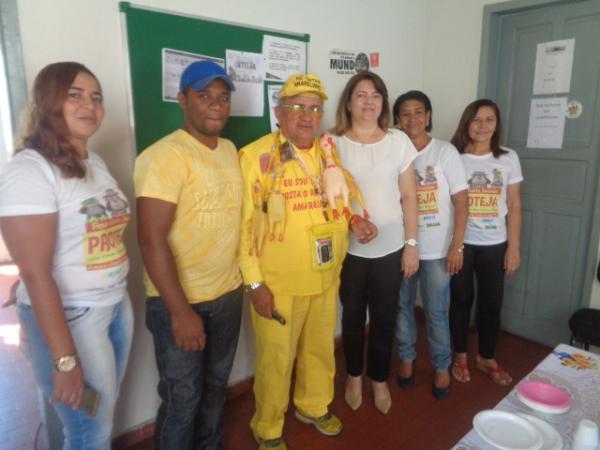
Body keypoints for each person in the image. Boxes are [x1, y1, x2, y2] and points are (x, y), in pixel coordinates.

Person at [238, 72, 376, 450]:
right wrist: (255, 284)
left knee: (319, 351)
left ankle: (312, 405)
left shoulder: (328, 153)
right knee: (276, 362)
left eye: (315, 108)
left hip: (325, 277)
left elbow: (337, 205)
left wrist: (355, 220)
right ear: (279, 112)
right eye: (297, 107)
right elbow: (245, 226)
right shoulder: (257, 157)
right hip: (278, 284)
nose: (306, 116)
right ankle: (267, 427)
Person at [0, 62, 133, 450]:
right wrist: (65, 361)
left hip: (113, 305)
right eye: (74, 95)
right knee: (89, 430)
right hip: (73, 318)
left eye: (96, 97)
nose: (89, 105)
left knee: (98, 415)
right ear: (49, 102)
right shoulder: (30, 171)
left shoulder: (96, 164)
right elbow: (36, 275)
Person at [134, 60, 243, 450]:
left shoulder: (230, 150)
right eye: (204, 96)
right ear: (183, 100)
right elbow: (150, 239)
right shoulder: (163, 157)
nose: (215, 105)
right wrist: (181, 312)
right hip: (180, 302)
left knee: (215, 389)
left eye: (223, 97)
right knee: (183, 399)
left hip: (228, 294)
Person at [330, 72, 418, 414]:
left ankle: (378, 379)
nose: (369, 101)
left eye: (376, 95)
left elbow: (410, 196)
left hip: (391, 248)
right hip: (347, 250)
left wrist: (412, 244)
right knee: (351, 318)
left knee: (384, 318)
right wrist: (350, 223)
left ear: (383, 102)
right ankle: (354, 375)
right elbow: (326, 198)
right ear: (349, 102)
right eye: (361, 95)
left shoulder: (398, 141)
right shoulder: (331, 143)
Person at [392, 90, 468, 400]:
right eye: (405, 113)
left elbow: (461, 201)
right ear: (398, 119)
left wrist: (457, 246)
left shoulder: (445, 152)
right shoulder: (393, 151)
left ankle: (441, 365)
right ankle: (407, 359)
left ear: (429, 116)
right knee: (402, 306)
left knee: (436, 311)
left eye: (419, 111)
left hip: (437, 250)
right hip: (401, 247)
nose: (413, 118)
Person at [449, 99, 523, 386]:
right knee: (460, 300)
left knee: (491, 304)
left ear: (497, 124)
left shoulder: (508, 158)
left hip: (496, 244)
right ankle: (461, 355)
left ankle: (487, 357)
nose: (482, 126)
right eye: (476, 120)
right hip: (461, 243)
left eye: (489, 120)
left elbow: (515, 205)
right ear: (466, 123)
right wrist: (453, 246)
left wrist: (513, 248)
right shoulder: (454, 156)